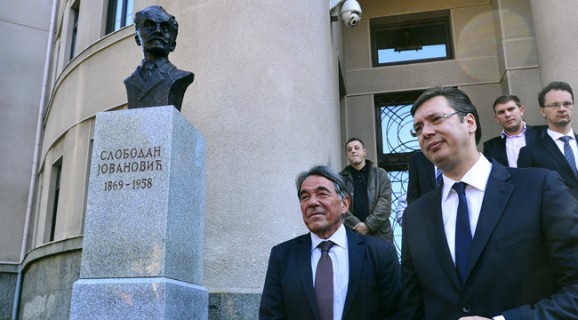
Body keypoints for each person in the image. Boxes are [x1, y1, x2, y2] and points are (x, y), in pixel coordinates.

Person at [402, 87, 578, 319]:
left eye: (436, 119)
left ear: (470, 123)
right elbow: (411, 307)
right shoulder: (415, 216)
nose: (426, 132)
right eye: (418, 128)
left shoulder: (539, 188)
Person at [259, 165, 401, 320]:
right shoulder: (282, 256)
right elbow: (270, 315)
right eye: (305, 197)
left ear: (344, 204)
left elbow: (395, 312)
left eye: (322, 194)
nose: (312, 202)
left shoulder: (379, 253)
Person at [124, 5, 194, 111]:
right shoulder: (130, 81)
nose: (158, 31)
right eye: (149, 25)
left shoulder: (179, 77)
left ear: (173, 43)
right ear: (137, 39)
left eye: (165, 28)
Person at [518, 81, 578, 200]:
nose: (562, 109)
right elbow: (529, 195)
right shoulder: (530, 153)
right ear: (542, 111)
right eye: (554, 105)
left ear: (573, 107)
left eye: (566, 104)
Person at [340, 138, 393, 241]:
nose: (353, 151)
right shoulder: (340, 179)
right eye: (349, 150)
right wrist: (357, 225)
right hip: (353, 234)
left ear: (364, 151)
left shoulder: (380, 174)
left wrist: (368, 225)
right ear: (346, 155)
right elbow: (339, 205)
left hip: (380, 234)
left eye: (356, 148)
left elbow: (385, 203)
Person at [482, 95, 546, 167]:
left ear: (521, 110)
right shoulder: (491, 147)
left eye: (511, 109)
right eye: (501, 112)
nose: (507, 114)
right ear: (496, 118)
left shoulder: (544, 134)